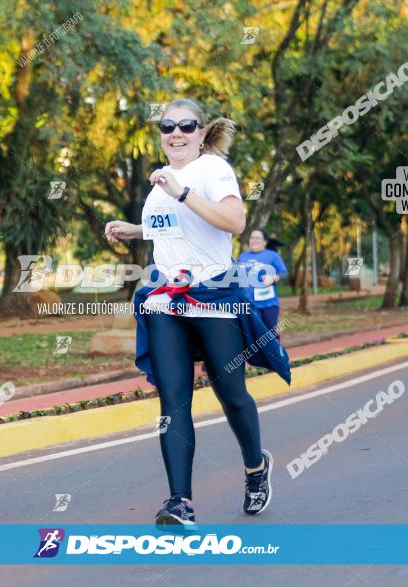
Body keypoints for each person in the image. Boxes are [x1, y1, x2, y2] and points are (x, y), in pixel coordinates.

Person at [104, 98, 291, 529]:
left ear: (202, 132)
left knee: (231, 394)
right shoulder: (161, 180)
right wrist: (133, 229)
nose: (176, 133)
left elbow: (234, 221)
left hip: (214, 297)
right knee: (173, 399)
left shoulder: (213, 170)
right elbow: (171, 230)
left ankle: (255, 467)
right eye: (167, 126)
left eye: (186, 125)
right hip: (166, 298)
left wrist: (183, 192)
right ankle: (179, 502)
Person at [238, 229, 288, 338]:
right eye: (252, 238)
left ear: (265, 242)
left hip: (269, 304)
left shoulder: (272, 255)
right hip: (250, 303)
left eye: (257, 238)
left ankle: (276, 354)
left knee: (271, 335)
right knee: (254, 335)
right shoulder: (242, 257)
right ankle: (258, 355)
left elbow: (284, 273)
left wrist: (274, 277)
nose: (254, 240)